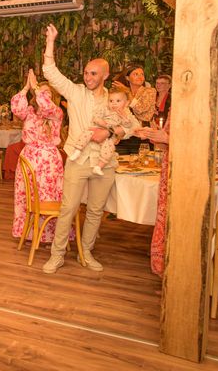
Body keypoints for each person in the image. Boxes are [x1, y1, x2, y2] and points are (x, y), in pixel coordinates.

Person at [41, 24, 130, 274]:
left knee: (95, 210)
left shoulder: (115, 99)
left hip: (104, 162)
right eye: (86, 73)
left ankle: (86, 252)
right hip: (78, 160)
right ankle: (57, 254)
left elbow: (130, 128)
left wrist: (111, 132)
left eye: (93, 74)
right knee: (68, 208)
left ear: (104, 75)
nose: (87, 78)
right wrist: (51, 42)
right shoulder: (76, 93)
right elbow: (50, 71)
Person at [10, 69, 68, 244]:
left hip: (49, 162)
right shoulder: (29, 112)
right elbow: (15, 107)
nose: (43, 95)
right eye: (41, 93)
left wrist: (37, 87)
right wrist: (26, 88)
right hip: (28, 158)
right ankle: (27, 232)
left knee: (47, 197)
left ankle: (49, 235)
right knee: (26, 197)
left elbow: (47, 107)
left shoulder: (56, 113)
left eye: (47, 93)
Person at [69, 87, 138, 176]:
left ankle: (99, 166)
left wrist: (125, 119)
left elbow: (129, 126)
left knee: (109, 149)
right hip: (99, 128)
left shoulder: (125, 113)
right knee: (87, 133)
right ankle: (77, 151)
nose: (114, 104)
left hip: (109, 137)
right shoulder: (105, 109)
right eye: (111, 101)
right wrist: (103, 123)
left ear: (126, 103)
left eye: (118, 101)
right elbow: (96, 118)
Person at [136, 123, 170, 277]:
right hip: (168, 168)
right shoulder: (173, 109)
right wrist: (154, 136)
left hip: (184, 171)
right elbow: (165, 147)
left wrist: (167, 138)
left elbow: (197, 146)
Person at [113, 65, 156, 154]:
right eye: (136, 74)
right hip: (123, 134)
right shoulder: (121, 92)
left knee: (142, 164)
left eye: (142, 74)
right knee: (121, 163)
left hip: (142, 134)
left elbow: (141, 108)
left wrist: (127, 92)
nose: (140, 77)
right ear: (127, 78)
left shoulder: (150, 91)